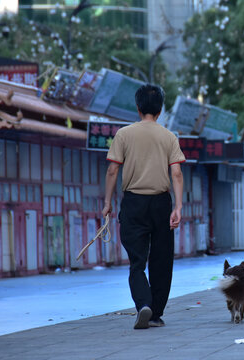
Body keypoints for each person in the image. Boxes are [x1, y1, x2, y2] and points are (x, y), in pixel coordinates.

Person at [102, 84, 185, 329]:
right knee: (162, 260)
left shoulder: (124, 134)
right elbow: (177, 173)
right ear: (160, 110)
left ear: (137, 108)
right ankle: (156, 313)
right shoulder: (169, 136)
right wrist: (178, 207)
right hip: (161, 203)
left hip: (133, 203)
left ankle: (143, 304)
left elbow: (113, 169)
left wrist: (107, 202)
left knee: (137, 262)